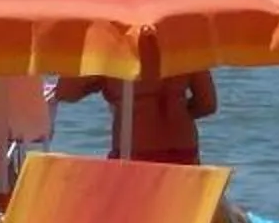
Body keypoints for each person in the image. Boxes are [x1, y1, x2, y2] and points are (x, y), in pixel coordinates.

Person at [52, 69, 217, 165]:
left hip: (134, 151)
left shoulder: (114, 51)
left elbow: (65, 93)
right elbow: (208, 104)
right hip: (183, 148)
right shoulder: (180, 44)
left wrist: (96, 78)